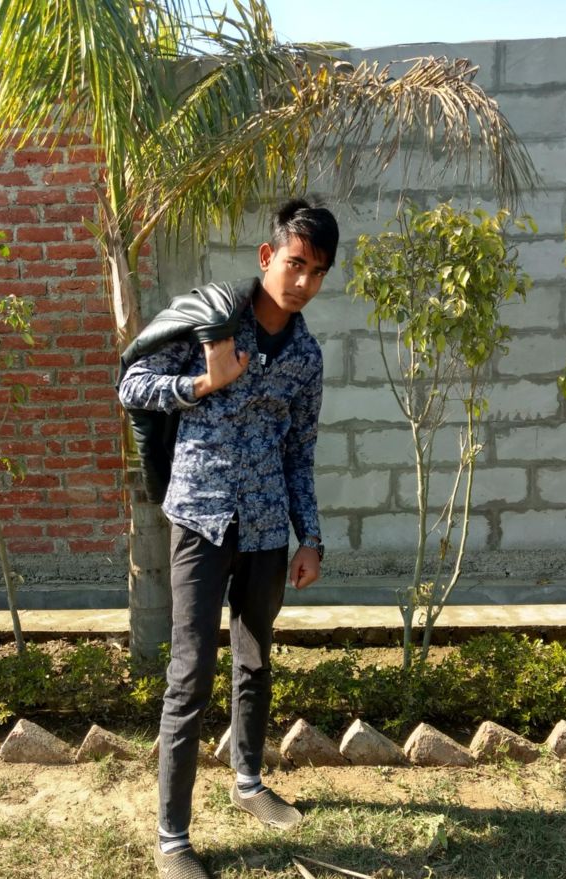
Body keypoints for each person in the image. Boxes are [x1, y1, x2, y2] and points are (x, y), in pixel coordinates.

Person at [118, 198, 339, 879]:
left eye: (318, 272)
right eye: (295, 263)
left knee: (256, 657)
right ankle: (172, 838)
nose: (303, 282)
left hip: (267, 526)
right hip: (201, 518)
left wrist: (310, 537)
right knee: (190, 674)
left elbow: (299, 450)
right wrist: (201, 382)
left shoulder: (306, 356)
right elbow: (132, 384)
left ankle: (248, 781)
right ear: (268, 256)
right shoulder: (211, 320)